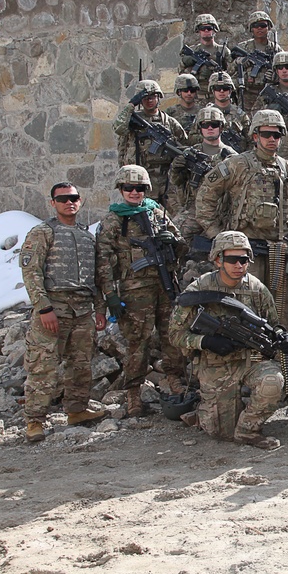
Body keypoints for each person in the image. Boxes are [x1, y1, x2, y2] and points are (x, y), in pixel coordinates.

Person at [169, 231, 288, 449]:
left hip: (250, 360)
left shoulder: (257, 290)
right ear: (218, 260)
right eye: (232, 259)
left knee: (272, 382)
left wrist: (283, 337)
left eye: (244, 260)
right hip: (214, 364)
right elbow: (175, 335)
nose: (239, 265)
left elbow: (275, 325)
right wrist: (206, 341)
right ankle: (204, 412)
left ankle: (248, 430)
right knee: (220, 433)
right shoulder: (200, 290)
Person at [195, 109, 288, 328]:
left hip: (279, 251)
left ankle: (278, 359)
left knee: (280, 312)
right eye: (266, 134)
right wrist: (218, 235)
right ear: (255, 136)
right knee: (244, 308)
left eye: (277, 135)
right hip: (243, 252)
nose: (272, 139)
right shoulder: (237, 164)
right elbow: (206, 196)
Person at [96, 165, 188, 415]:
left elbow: (181, 245)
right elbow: (102, 262)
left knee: (172, 334)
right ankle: (133, 392)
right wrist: (110, 296)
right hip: (134, 290)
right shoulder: (113, 221)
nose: (135, 193)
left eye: (139, 188)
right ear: (121, 190)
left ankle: (175, 379)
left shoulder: (157, 212)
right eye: (129, 188)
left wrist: (174, 242)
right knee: (138, 340)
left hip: (165, 283)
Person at [20, 183, 107, 442]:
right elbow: (31, 272)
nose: (69, 203)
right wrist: (43, 307)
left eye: (73, 198)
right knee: (43, 366)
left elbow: (97, 277)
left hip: (82, 310)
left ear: (80, 201)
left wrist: (100, 309)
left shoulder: (87, 236)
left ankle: (77, 410)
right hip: (53, 309)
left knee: (80, 365)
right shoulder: (42, 233)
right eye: (63, 199)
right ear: (53, 203)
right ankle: (35, 420)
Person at [113, 80, 187, 213]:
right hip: (140, 181)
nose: (149, 101)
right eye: (145, 98)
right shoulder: (132, 121)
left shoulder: (169, 122)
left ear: (159, 98)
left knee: (176, 215)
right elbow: (118, 128)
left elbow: (183, 146)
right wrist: (131, 105)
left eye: (152, 97)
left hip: (166, 179)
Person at [171, 106, 238, 247]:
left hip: (222, 212)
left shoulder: (232, 157)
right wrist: (177, 168)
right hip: (193, 210)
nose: (210, 128)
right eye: (205, 125)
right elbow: (176, 182)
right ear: (199, 127)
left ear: (221, 127)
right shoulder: (191, 153)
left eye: (214, 124)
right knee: (173, 238)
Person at [232, 10, 282, 111]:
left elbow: (286, 70)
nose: (259, 28)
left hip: (268, 95)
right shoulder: (244, 47)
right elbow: (229, 71)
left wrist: (276, 76)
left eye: (263, 25)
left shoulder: (276, 49)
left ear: (268, 27)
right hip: (247, 94)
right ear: (251, 28)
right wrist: (239, 62)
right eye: (256, 25)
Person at [178, 14, 230, 97]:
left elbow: (231, 73)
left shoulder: (223, 51)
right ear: (198, 31)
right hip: (196, 95)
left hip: (217, 95)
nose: (206, 30)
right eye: (203, 28)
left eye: (209, 28)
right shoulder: (194, 51)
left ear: (214, 30)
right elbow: (181, 74)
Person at [202, 71, 250, 153]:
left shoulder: (240, 114)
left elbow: (251, 139)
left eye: (225, 88)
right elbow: (192, 138)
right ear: (212, 90)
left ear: (230, 90)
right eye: (217, 88)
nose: (221, 91)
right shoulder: (204, 114)